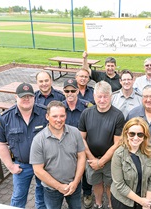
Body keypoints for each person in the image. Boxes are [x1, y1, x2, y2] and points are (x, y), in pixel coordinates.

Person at [0, 82, 47, 208]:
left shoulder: (45, 114)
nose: (26, 99)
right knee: (18, 198)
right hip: (22, 166)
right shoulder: (4, 118)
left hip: (43, 164)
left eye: (29, 96)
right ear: (16, 97)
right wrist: (10, 166)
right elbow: (0, 143)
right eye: (23, 96)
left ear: (34, 97)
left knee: (42, 195)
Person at [30, 101, 86, 209]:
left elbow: (82, 157)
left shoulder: (75, 133)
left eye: (62, 116)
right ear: (47, 116)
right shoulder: (38, 140)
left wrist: (76, 182)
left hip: (74, 185)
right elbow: (37, 170)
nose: (59, 120)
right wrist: (59, 186)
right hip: (51, 189)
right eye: (54, 116)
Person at [78, 81, 125, 209]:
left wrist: (102, 161)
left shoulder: (118, 116)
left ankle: (110, 204)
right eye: (99, 96)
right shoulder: (86, 113)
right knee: (96, 183)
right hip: (91, 159)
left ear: (111, 97)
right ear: (94, 97)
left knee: (110, 184)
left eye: (105, 96)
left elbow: (118, 143)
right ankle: (98, 203)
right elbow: (81, 139)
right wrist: (92, 159)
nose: (102, 100)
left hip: (111, 160)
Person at [111, 117, 151, 209]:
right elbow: (120, 185)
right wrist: (141, 201)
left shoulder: (150, 153)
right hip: (123, 201)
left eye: (140, 135)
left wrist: (147, 202)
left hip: (143, 199)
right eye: (132, 134)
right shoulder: (118, 154)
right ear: (126, 134)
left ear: (145, 136)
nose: (136, 138)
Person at [62, 78, 93, 208]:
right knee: (68, 172)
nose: (70, 93)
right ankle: (70, 192)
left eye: (73, 90)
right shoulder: (59, 107)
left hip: (83, 146)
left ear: (77, 91)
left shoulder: (88, 107)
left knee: (85, 172)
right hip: (65, 148)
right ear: (63, 92)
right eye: (67, 91)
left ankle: (87, 193)